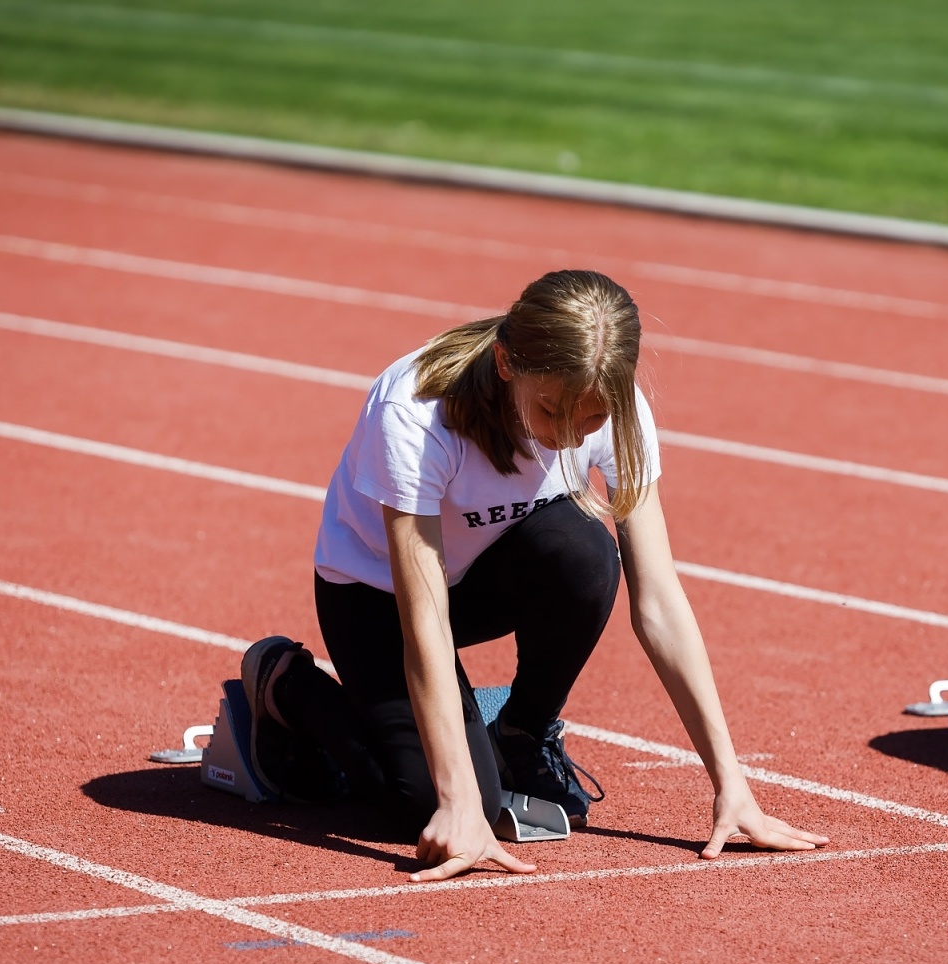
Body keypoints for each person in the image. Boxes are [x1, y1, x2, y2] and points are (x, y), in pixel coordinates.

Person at [240, 269, 827, 880]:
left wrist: (731, 785)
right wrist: (460, 801)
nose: (570, 435)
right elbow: (425, 617)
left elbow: (657, 600)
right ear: (504, 364)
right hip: (377, 596)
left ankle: (522, 732)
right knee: (430, 808)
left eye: (592, 418)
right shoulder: (415, 410)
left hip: (487, 572)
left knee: (585, 552)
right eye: (550, 411)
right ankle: (285, 685)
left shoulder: (620, 409)